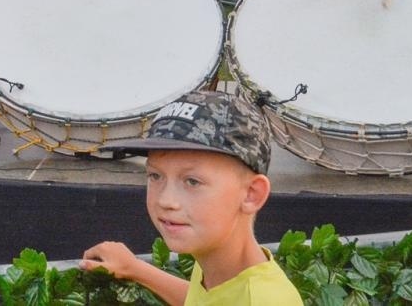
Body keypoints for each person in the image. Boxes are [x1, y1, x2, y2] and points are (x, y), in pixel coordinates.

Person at [80, 91, 302, 306]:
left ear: (252, 194)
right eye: (155, 175)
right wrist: (135, 268)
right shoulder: (217, 264)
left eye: (192, 181)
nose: (166, 200)